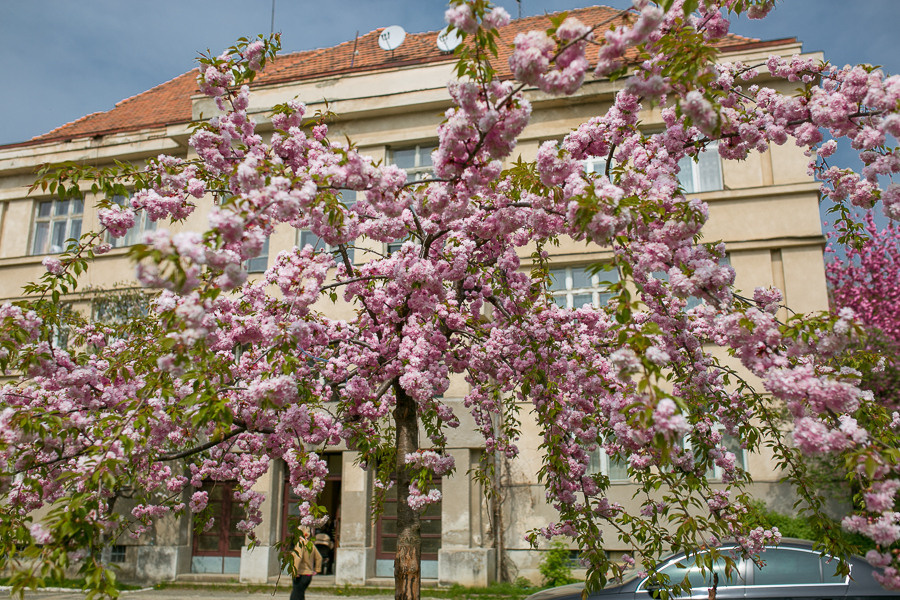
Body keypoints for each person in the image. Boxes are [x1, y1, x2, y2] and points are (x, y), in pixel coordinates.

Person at [290, 527, 322, 600]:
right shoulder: (311, 545)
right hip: (308, 574)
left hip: (300, 574)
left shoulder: (300, 545)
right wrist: (317, 569)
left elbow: (298, 558)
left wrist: (294, 571)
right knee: (300, 594)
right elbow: (319, 557)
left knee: (295, 595)